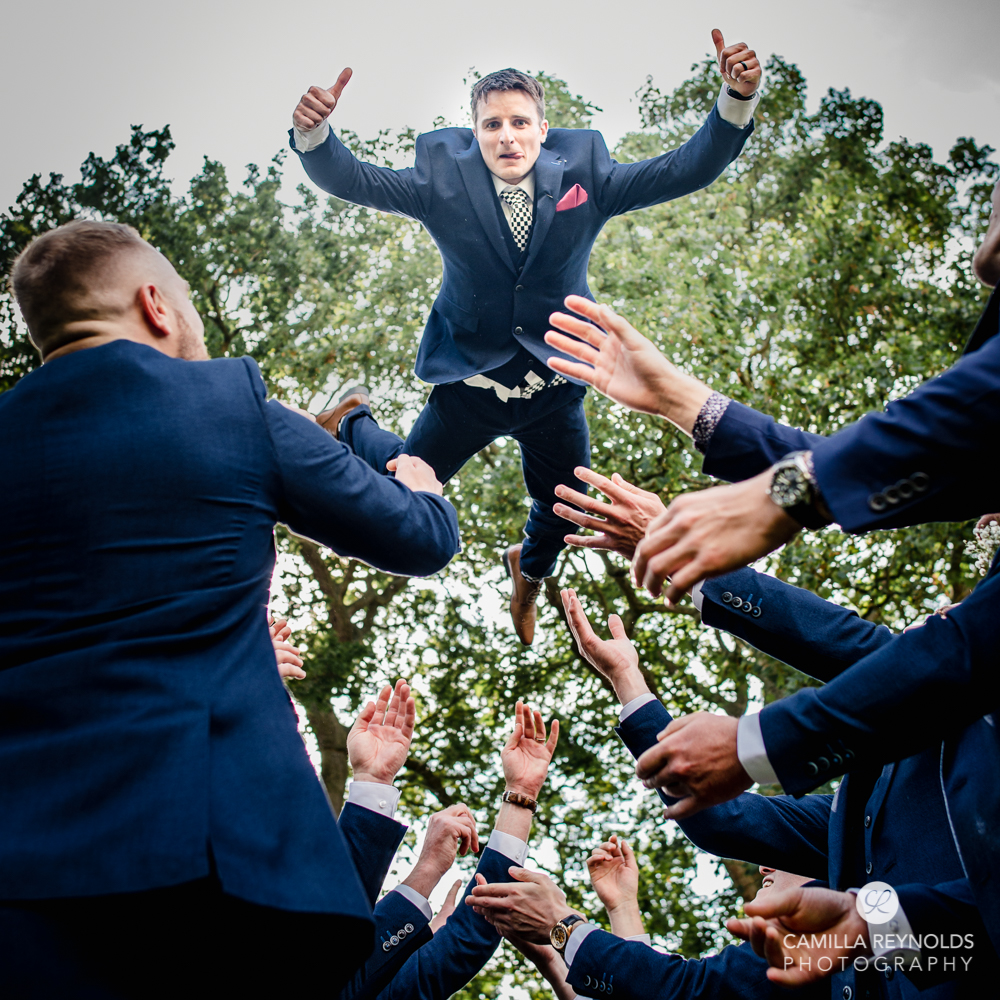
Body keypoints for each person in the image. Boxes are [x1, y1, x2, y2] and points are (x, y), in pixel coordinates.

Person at [0, 220, 460, 998]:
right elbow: (418, 539)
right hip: (227, 870)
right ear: (156, 305)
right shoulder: (231, 402)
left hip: (22, 877)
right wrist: (415, 479)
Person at [289, 30, 763, 644]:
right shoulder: (441, 183)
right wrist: (314, 136)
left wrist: (735, 97)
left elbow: (684, 168)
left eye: (519, 123)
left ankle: (527, 572)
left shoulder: (588, 176)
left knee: (568, 511)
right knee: (398, 493)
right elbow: (354, 179)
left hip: (555, 388)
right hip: (469, 387)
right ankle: (352, 421)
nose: (506, 136)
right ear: (475, 134)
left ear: (543, 130)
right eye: (491, 126)